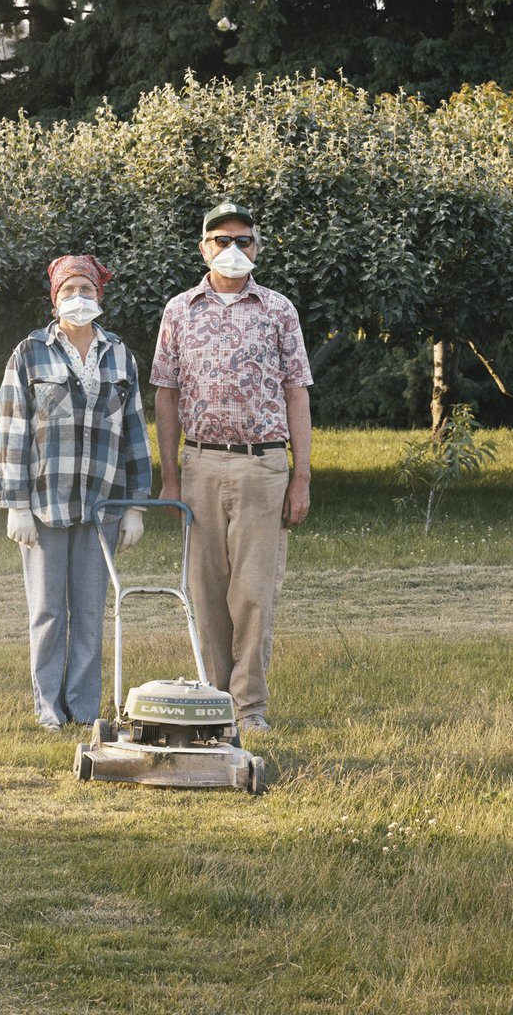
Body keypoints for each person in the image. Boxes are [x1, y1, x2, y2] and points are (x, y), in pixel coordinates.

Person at [151, 202, 311, 732]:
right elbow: (167, 396)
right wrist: (170, 475)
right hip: (198, 465)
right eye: (222, 240)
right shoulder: (179, 310)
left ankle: (250, 708)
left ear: (258, 249)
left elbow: (297, 395)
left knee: (254, 593)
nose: (233, 249)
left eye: (244, 240)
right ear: (204, 247)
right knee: (206, 590)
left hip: (262, 466)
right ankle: (215, 704)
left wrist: (301, 476)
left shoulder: (278, 310)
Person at [0, 254, 152, 731]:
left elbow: (134, 433)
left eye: (86, 290)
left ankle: (84, 710)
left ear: (98, 296)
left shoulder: (119, 355)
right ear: (54, 298)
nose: (77, 299)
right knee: (47, 612)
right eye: (68, 291)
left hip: (101, 504)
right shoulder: (30, 353)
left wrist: (135, 507)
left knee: (88, 612)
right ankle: (48, 710)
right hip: (45, 504)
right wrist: (15, 504)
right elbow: (13, 430)